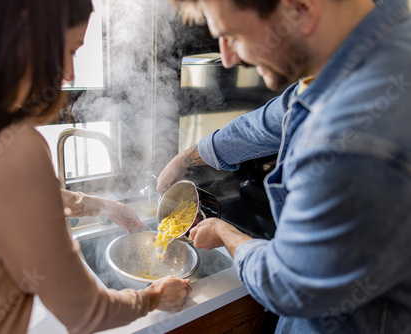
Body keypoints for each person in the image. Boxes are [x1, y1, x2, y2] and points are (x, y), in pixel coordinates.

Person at [0, 1, 191, 333]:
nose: (70, 73)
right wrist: (155, 295)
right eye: (70, 50)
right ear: (25, 33)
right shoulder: (13, 147)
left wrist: (100, 206)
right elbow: (85, 312)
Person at [159, 0, 411, 332]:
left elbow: (285, 283)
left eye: (233, 36)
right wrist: (186, 158)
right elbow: (268, 121)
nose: (230, 57)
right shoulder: (363, 48)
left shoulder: (348, 140)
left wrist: (224, 231)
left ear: (302, 9)